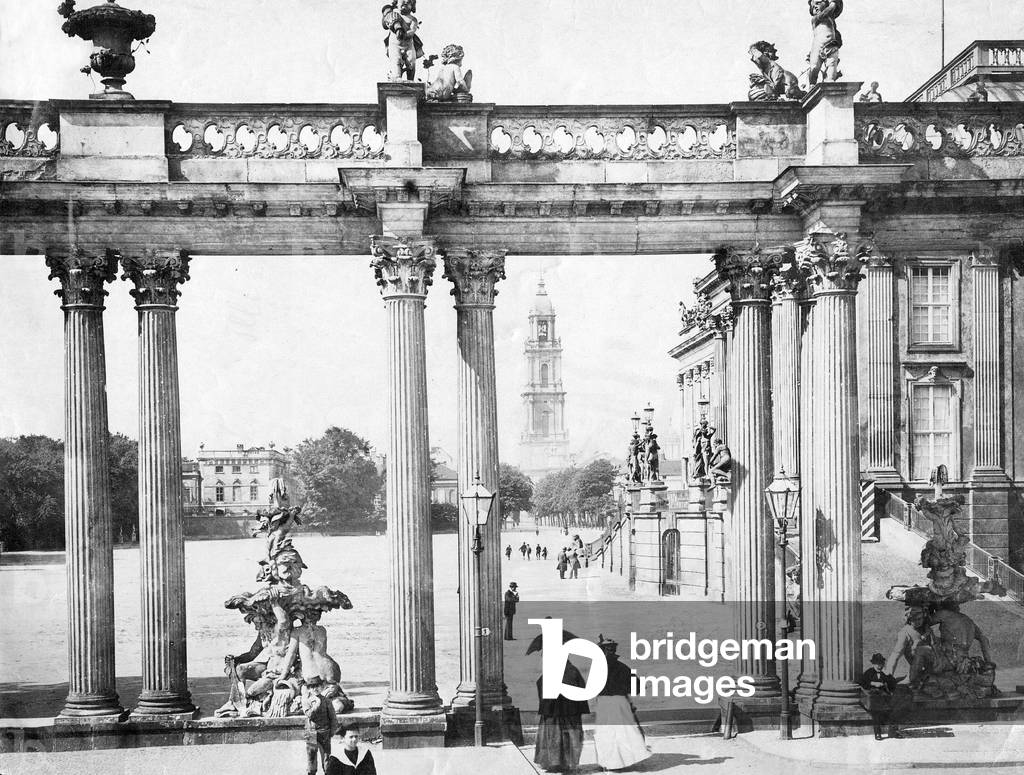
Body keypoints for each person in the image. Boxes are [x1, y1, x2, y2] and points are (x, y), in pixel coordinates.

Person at [594, 636, 651, 770]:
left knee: (605, 732)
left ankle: (608, 763)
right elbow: (637, 688)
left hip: (603, 703)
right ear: (614, 650)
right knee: (623, 732)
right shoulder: (623, 668)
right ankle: (620, 763)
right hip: (620, 702)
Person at [534, 657, 590, 772]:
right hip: (570, 711)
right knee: (571, 737)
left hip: (553, 711)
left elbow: (541, 684)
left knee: (554, 736)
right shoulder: (573, 670)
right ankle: (569, 764)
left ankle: (555, 763)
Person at [860, 652, 909, 740]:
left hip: (884, 698)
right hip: (873, 698)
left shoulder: (884, 673)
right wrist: (873, 683)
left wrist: (889, 676)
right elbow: (862, 682)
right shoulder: (868, 672)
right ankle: (877, 733)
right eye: (877, 664)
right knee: (876, 713)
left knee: (894, 711)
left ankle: (893, 732)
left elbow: (892, 684)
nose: (879, 666)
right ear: (873, 664)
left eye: (881, 664)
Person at [302, 677, 339, 775]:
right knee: (311, 756)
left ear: (322, 687)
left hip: (324, 731)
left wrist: (332, 731)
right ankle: (311, 772)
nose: (315, 689)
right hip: (311, 732)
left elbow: (333, 717)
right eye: (312, 687)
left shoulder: (327, 701)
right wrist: (317, 704)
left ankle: (327, 772)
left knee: (326, 756)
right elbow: (309, 714)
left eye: (317, 686)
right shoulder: (306, 701)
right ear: (309, 689)